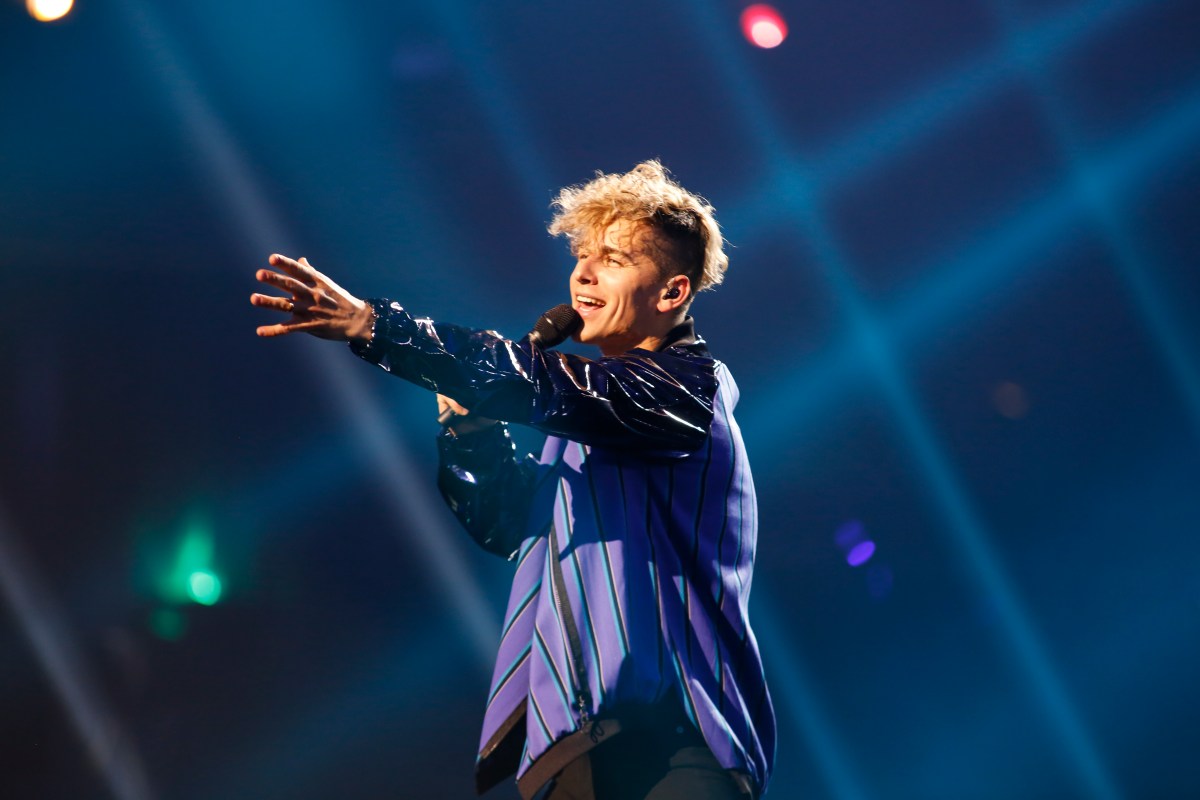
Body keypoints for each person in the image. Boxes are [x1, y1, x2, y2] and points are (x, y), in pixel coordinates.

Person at [251, 161, 775, 799]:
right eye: (582, 256)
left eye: (612, 259)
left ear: (671, 293)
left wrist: (374, 325)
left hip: (673, 746)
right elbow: (510, 525)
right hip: (580, 751)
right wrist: (471, 433)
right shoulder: (594, 426)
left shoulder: (684, 393)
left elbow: (544, 383)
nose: (584, 273)